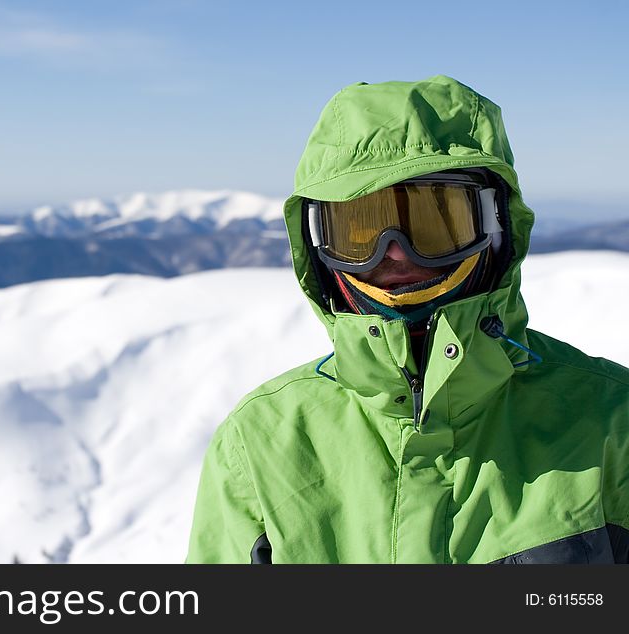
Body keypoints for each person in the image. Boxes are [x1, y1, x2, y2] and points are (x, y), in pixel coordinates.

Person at [185, 75, 629, 564]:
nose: (394, 253)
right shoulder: (261, 440)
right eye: (358, 229)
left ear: (496, 227)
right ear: (317, 249)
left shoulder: (612, 420)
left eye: (435, 222)